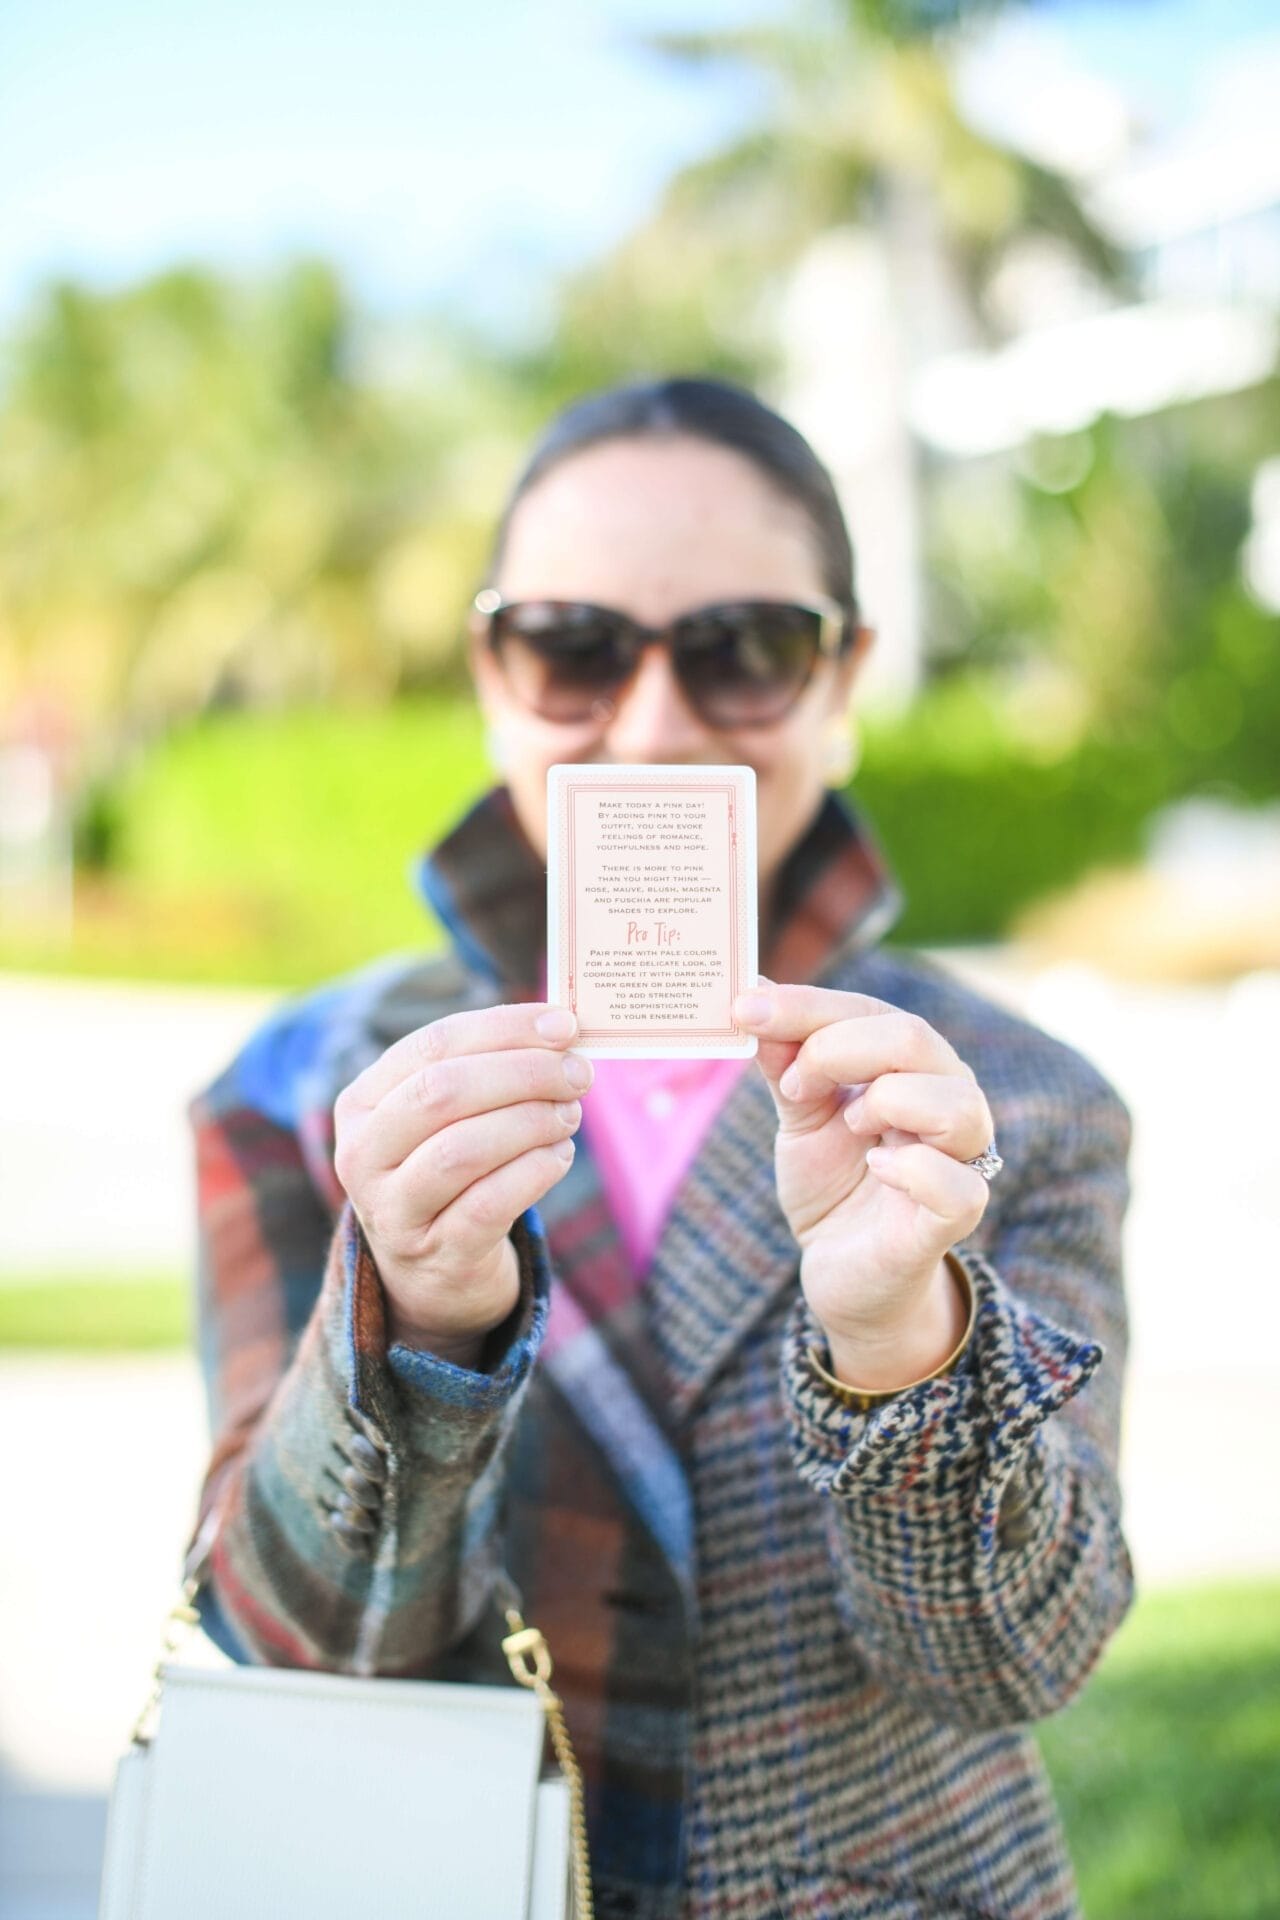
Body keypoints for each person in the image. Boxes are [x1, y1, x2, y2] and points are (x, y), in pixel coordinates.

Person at [184, 376, 1136, 1920]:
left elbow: (1020, 1659)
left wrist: (904, 1337)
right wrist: (415, 1328)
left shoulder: (1017, 1101)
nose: (653, 724)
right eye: (571, 648)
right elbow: (282, 1627)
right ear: (491, 672)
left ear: (845, 679)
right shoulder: (307, 1089)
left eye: (744, 650)